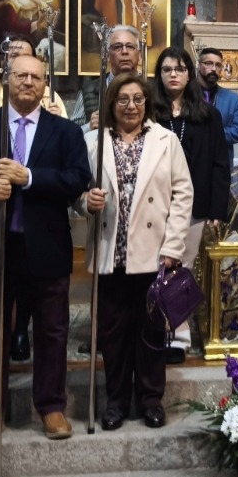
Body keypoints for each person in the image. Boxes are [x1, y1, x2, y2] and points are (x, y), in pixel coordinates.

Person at [0, 52, 91, 443]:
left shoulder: (65, 132)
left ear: (45, 85)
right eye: (21, 76)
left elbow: (76, 178)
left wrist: (28, 177)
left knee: (52, 331)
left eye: (35, 77)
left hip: (46, 246)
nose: (28, 82)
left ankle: (51, 406)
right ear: (7, 79)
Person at [82, 72, 192, 429]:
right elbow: (76, 189)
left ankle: (150, 399)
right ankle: (115, 401)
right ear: (111, 103)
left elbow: (183, 194)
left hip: (154, 252)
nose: (131, 106)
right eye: (123, 99)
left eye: (138, 99)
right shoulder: (93, 141)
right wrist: (85, 201)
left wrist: (174, 245)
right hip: (110, 251)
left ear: (147, 103)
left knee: (151, 332)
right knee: (113, 335)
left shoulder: (166, 140)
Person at [154, 47, 231, 362]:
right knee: (153, 269)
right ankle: (153, 330)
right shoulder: (149, 112)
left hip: (193, 205)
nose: (173, 74)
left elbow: (219, 164)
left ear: (190, 74)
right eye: (167, 69)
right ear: (159, 75)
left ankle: (178, 336)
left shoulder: (208, 116)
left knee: (181, 269)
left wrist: (217, 209)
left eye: (180, 69)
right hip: (154, 204)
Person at [78, 24, 143, 133]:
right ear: (107, 55)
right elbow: (70, 133)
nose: (124, 51)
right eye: (118, 47)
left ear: (140, 55)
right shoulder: (90, 90)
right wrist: (88, 127)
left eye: (130, 47)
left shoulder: (153, 90)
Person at [197, 48, 238, 148]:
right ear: (199, 65)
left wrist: (210, 133)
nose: (214, 69)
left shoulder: (232, 99)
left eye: (218, 65)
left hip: (221, 155)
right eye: (209, 63)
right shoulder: (186, 94)